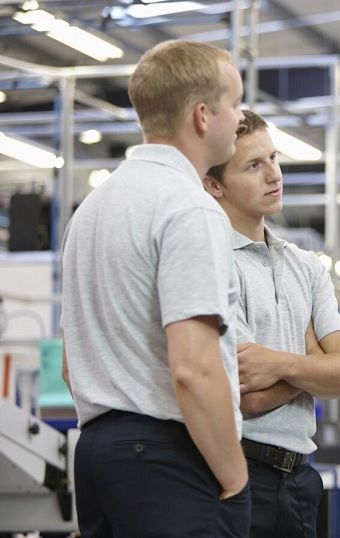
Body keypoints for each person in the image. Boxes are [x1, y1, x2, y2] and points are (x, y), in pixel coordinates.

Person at [60, 39, 250, 537]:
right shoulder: (188, 207)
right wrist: (234, 475)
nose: (240, 116)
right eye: (234, 103)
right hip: (171, 459)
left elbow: (70, 361)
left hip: (98, 455)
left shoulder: (93, 209)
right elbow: (192, 368)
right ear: (203, 115)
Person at [204, 109, 340, 538]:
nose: (274, 174)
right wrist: (311, 361)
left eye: (273, 158)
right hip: (241, 475)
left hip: (301, 479)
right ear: (214, 184)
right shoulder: (214, 263)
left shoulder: (306, 266)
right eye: (253, 165)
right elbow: (248, 396)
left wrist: (281, 364)